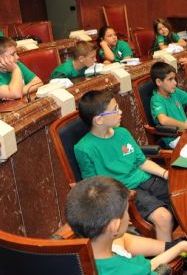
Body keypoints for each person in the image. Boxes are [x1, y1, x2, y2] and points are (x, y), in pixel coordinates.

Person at [65, 176, 187, 275]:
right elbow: (151, 267)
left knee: (120, 241)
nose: (129, 218)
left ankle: (171, 246)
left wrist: (178, 247)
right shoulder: (130, 271)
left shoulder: (70, 260)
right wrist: (181, 247)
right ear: (115, 226)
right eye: (127, 211)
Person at [74, 90, 174, 241]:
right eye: (115, 110)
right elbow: (94, 185)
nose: (120, 112)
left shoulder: (123, 133)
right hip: (126, 192)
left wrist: (167, 174)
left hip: (146, 180)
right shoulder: (84, 148)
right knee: (164, 217)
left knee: (185, 194)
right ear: (99, 120)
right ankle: (167, 260)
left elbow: (142, 162)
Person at [150, 61, 187, 147]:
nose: (175, 83)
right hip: (174, 138)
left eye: (174, 79)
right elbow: (163, 120)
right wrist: (185, 126)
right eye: (170, 79)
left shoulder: (174, 91)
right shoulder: (156, 99)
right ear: (159, 82)